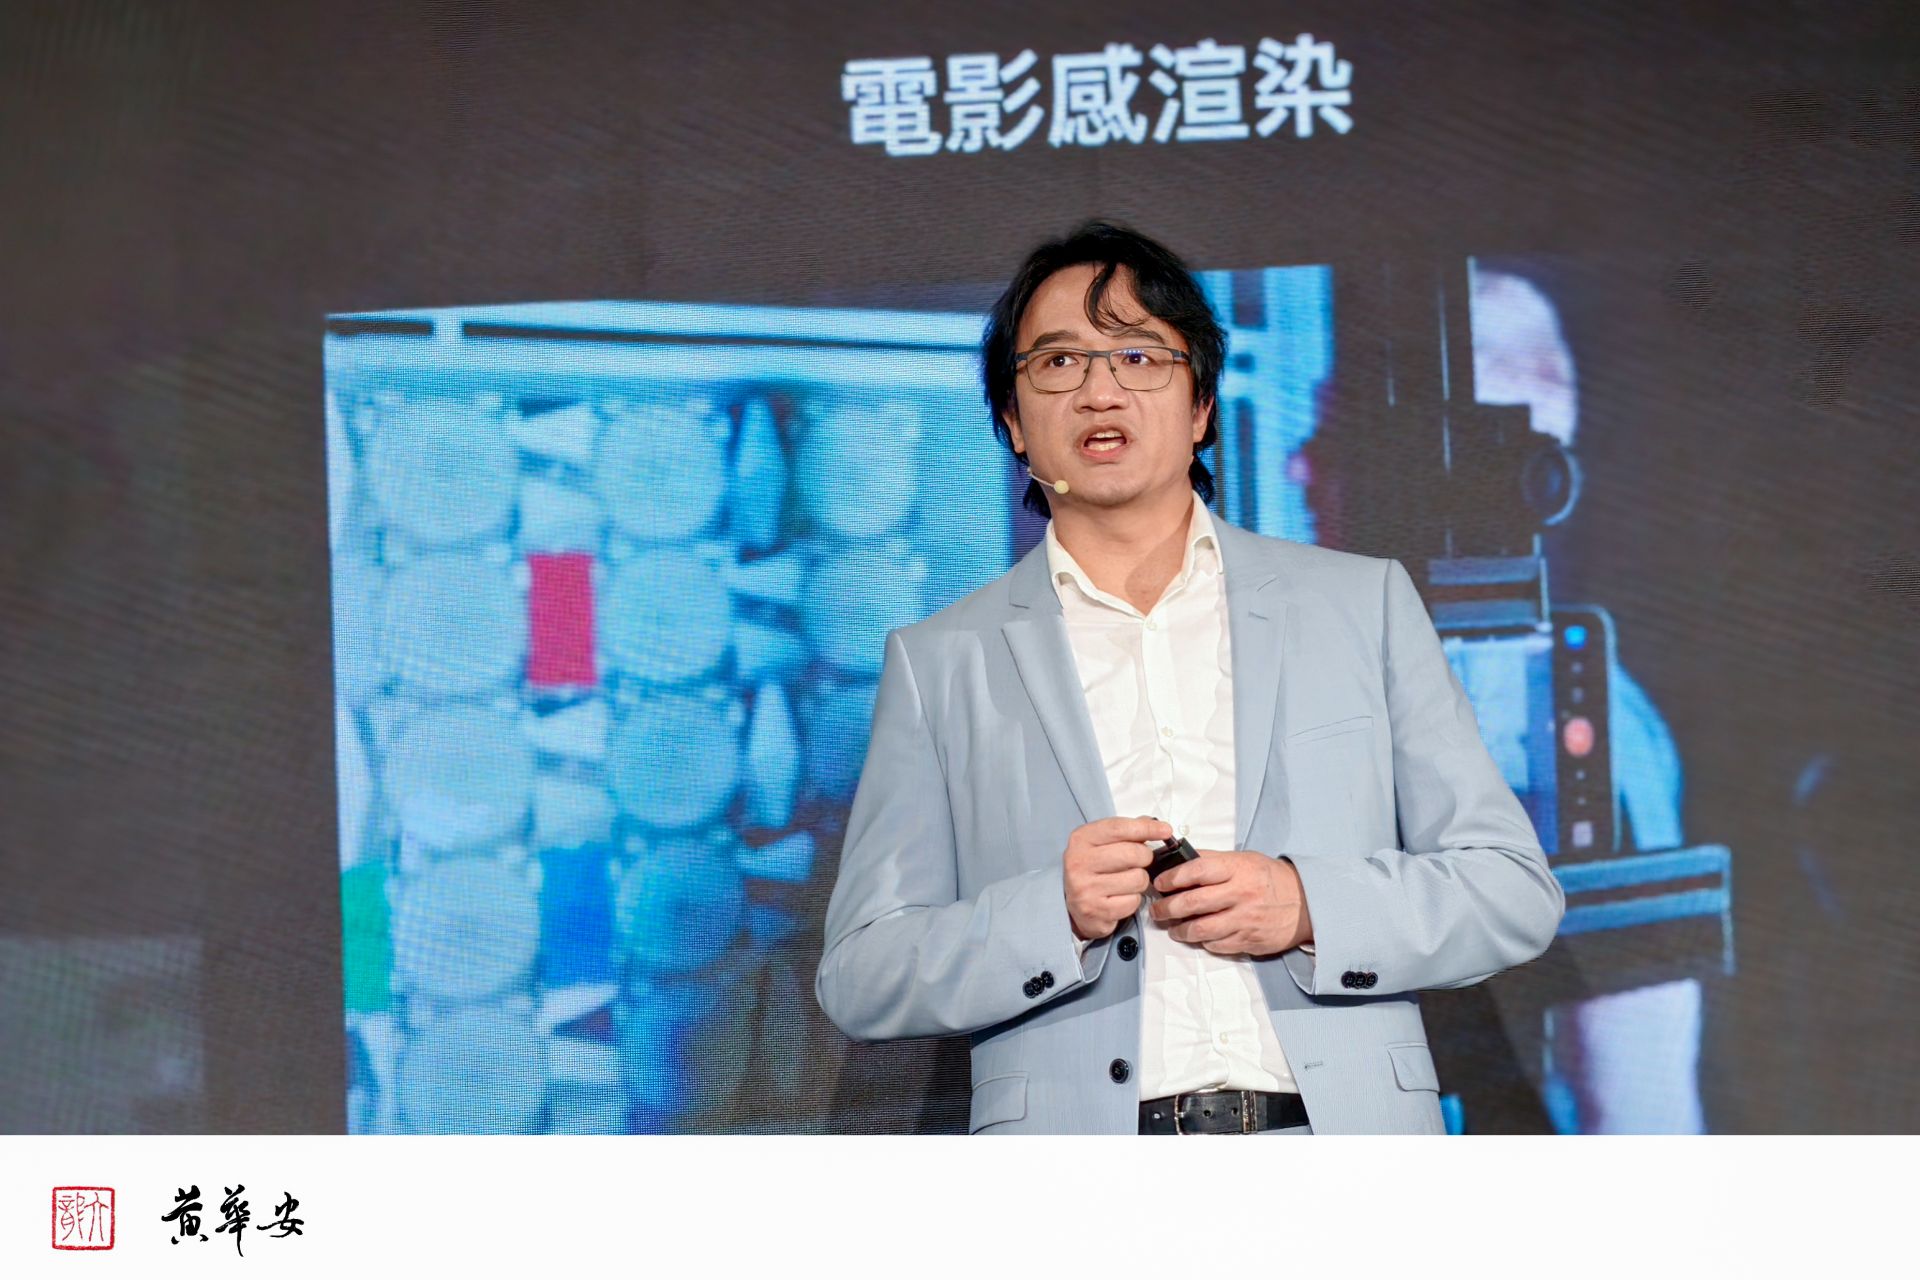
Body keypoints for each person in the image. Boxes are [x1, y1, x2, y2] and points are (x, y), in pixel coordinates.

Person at [814, 220, 1564, 1134]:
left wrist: (1306, 906)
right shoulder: (940, 661)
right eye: (1058, 362)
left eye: (1139, 355)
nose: (1099, 390)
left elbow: (1510, 892)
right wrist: (1050, 913)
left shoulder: (1358, 604)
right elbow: (862, 973)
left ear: (1201, 405)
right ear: (1012, 421)